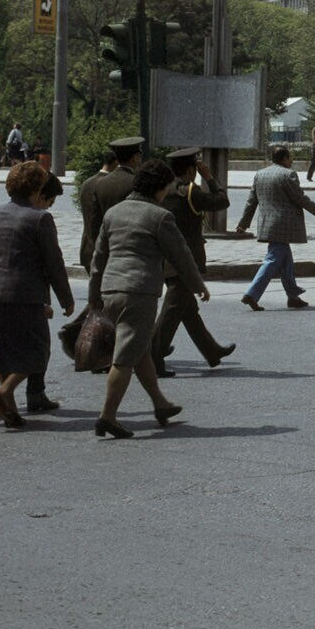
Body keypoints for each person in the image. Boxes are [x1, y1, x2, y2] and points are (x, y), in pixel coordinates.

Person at [88, 157, 208, 437]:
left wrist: (94, 296)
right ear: (160, 188)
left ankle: (160, 403)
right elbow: (181, 255)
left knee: (139, 349)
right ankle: (107, 416)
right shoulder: (159, 216)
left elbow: (99, 258)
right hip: (139, 292)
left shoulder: (114, 213)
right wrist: (198, 284)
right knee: (124, 358)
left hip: (110, 289)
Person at [0, 161, 75, 428]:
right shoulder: (40, 218)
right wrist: (66, 299)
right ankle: (5, 392)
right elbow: (54, 262)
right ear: (37, 188)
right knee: (37, 352)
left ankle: (9, 410)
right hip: (24, 295)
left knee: (3, 352)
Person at [152, 147, 236, 377]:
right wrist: (209, 177)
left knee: (188, 310)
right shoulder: (190, 191)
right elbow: (222, 201)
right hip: (185, 260)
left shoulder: (163, 190)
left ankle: (212, 351)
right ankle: (152, 356)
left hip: (166, 258)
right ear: (191, 170)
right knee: (172, 311)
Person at [236, 144, 315, 310]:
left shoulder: (260, 174)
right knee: (272, 260)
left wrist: (243, 223)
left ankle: (293, 296)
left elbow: (251, 201)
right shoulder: (288, 174)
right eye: (290, 158)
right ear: (285, 158)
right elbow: (299, 198)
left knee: (286, 260)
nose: (291, 161)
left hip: (267, 224)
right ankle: (252, 294)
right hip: (283, 225)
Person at [79, 137, 144, 271]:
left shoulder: (95, 183)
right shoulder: (136, 183)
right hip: (125, 254)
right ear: (134, 158)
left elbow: (94, 221)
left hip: (95, 250)